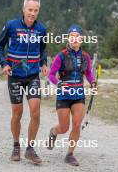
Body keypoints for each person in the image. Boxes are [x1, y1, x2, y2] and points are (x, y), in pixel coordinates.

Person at [0, 0, 48, 164]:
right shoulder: (11, 25)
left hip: (32, 75)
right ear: (24, 9)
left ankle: (30, 149)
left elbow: (43, 49)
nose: (32, 13)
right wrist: (4, 64)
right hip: (15, 76)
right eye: (30, 9)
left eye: (36, 10)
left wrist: (44, 62)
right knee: (17, 113)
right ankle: (16, 146)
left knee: (36, 111)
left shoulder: (41, 29)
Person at [47, 25, 96, 166]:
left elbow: (88, 73)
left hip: (78, 94)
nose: (75, 39)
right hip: (63, 95)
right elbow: (51, 75)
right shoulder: (61, 56)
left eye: (77, 36)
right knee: (64, 127)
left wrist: (92, 82)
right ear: (68, 39)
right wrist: (59, 83)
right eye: (72, 36)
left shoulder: (85, 56)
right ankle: (54, 132)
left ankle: (69, 154)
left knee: (76, 124)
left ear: (81, 39)